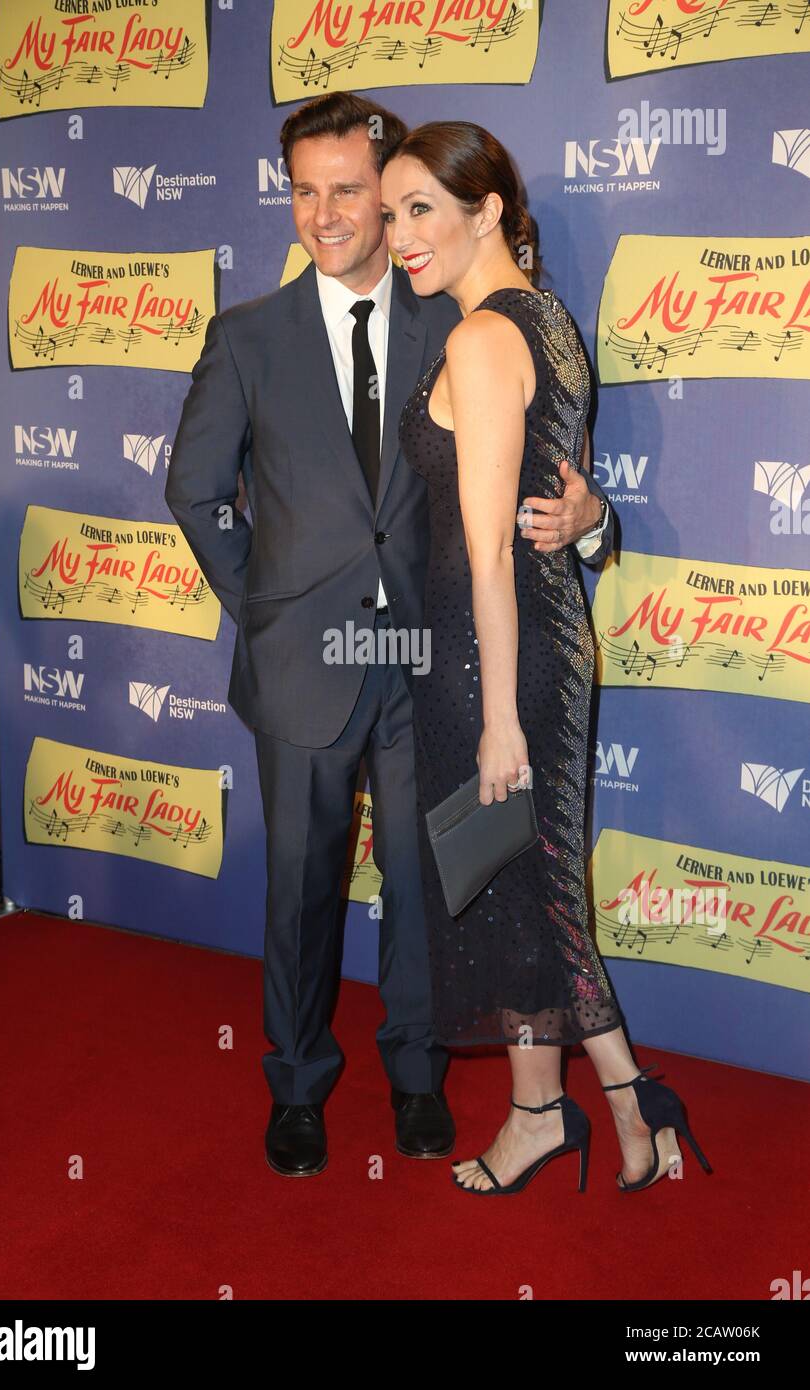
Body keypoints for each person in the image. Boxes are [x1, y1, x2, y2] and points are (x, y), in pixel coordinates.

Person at [164, 94, 614, 1179]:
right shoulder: (246, 336)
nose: (324, 214)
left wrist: (592, 518)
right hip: (301, 664)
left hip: (427, 660)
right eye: (302, 190)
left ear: (389, 193)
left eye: (348, 190)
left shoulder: (451, 317)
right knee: (301, 884)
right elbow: (192, 490)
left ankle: (416, 1076)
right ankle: (299, 1083)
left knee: (422, 881)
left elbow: (531, 478)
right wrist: (264, 610)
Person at [382, 121, 711, 1195]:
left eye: (420, 207)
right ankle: (540, 1112)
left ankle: (627, 1096)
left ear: (487, 209)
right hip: (533, 634)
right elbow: (550, 503)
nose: (398, 236)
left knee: (531, 891)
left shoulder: (479, 342)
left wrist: (496, 719)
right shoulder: (546, 322)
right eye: (389, 215)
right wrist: (587, 518)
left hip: (496, 655)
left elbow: (483, 550)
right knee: (520, 890)